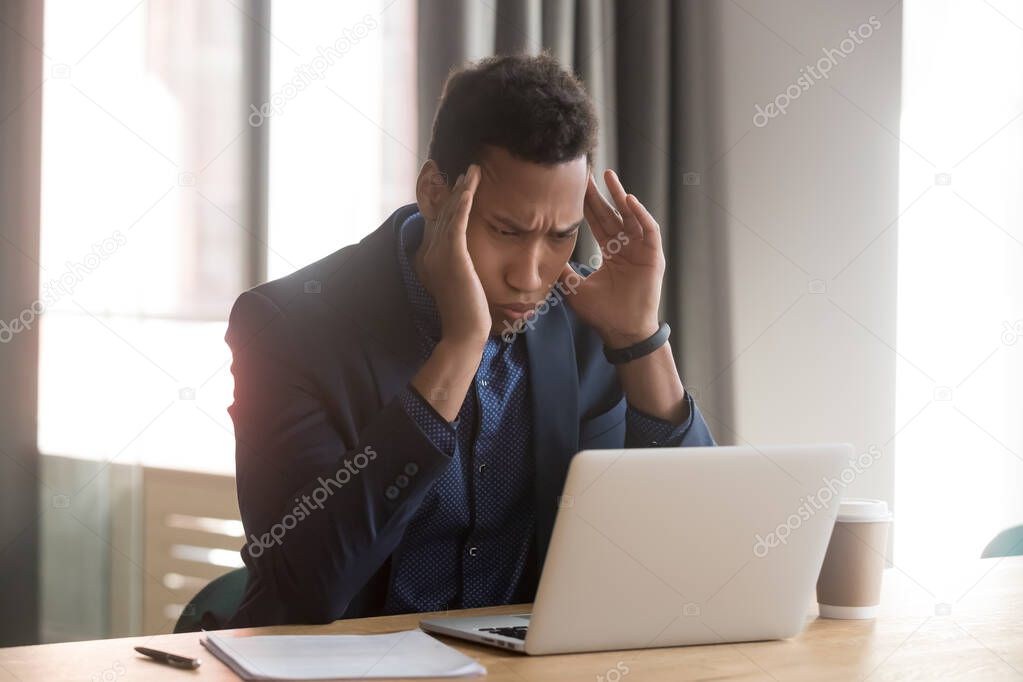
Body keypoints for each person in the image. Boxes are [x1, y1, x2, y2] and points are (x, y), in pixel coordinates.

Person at [224, 52, 715, 628]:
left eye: (561, 236)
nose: (531, 276)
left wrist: (638, 341)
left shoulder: (587, 316)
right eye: (506, 231)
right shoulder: (286, 328)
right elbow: (305, 588)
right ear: (435, 191)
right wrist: (459, 349)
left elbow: (697, 555)